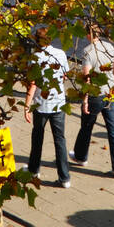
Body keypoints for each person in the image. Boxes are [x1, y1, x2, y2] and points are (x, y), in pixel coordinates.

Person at [71, 24, 114, 178]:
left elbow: (86, 77)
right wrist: (113, 84)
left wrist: (85, 99)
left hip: (95, 95)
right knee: (113, 130)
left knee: (86, 127)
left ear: (88, 35)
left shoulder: (87, 52)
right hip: (110, 94)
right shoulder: (109, 47)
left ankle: (81, 157)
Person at [24, 28, 71, 188]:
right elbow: (65, 75)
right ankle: (64, 177)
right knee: (60, 140)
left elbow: (32, 83)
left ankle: (33, 170)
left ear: (37, 41)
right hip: (58, 103)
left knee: (37, 137)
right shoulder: (61, 54)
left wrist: (26, 105)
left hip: (41, 104)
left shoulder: (35, 58)